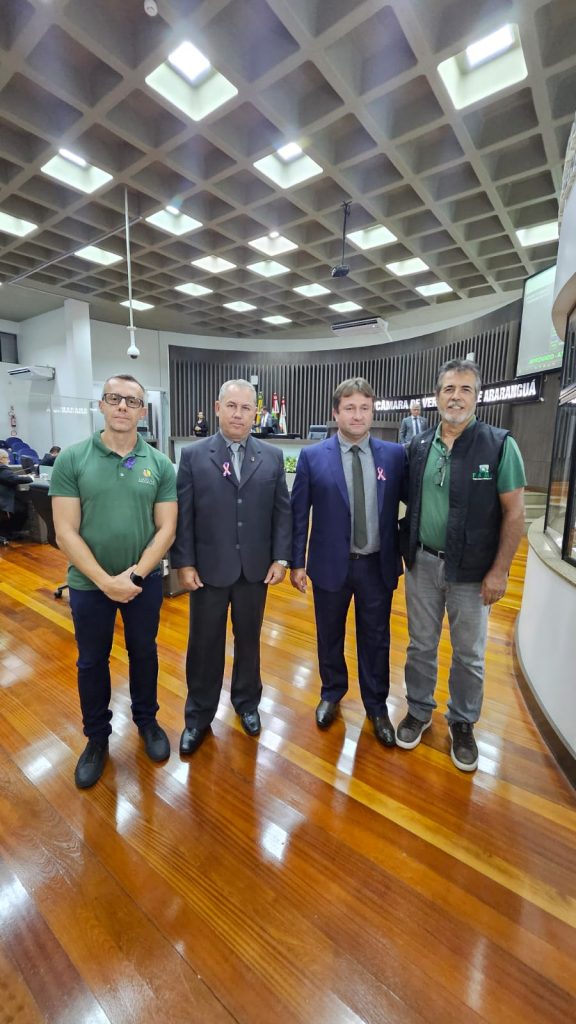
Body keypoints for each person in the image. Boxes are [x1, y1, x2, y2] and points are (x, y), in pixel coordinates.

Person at [397, 358, 526, 772]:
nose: (456, 397)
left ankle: (463, 721)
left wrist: (499, 571)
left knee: (469, 653)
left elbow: (515, 514)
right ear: (437, 397)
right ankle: (418, 710)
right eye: (449, 389)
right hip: (422, 564)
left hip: (473, 572)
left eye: (465, 389)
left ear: (477, 397)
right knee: (420, 644)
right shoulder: (418, 447)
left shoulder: (499, 445)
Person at [50, 374, 178, 789]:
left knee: (144, 653)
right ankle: (96, 738)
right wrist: (106, 581)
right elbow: (65, 532)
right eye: (114, 398)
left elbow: (167, 529)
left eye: (132, 401)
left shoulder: (159, 464)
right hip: (89, 586)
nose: (123, 406)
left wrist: (135, 575)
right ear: (101, 405)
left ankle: (147, 721)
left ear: (143, 412)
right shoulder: (72, 459)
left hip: (144, 583)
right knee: (91, 662)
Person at [171, 378, 292, 755]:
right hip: (207, 570)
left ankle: (247, 703)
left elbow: (282, 512)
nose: (239, 414)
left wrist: (281, 558)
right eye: (232, 406)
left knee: (249, 641)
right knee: (204, 644)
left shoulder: (272, 456)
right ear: (218, 408)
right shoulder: (193, 456)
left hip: (255, 570)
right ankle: (198, 716)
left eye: (246, 407)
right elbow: (183, 515)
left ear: (255, 412)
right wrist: (184, 563)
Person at [290, 377, 408, 746]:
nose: (358, 415)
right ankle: (331, 692)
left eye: (364, 408)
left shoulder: (395, 456)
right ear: (336, 413)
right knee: (329, 635)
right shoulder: (312, 457)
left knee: (376, 638)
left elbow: (414, 505)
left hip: (377, 565)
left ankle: (376, 706)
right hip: (329, 566)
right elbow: (298, 514)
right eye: (350, 408)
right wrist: (297, 562)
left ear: (373, 412)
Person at [0, 449, 33, 535]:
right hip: (3, 500)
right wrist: (30, 478)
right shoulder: (1, 468)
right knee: (22, 509)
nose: (9, 460)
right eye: (7, 458)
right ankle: (10, 533)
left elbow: (9, 476)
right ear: (1, 459)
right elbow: (14, 479)